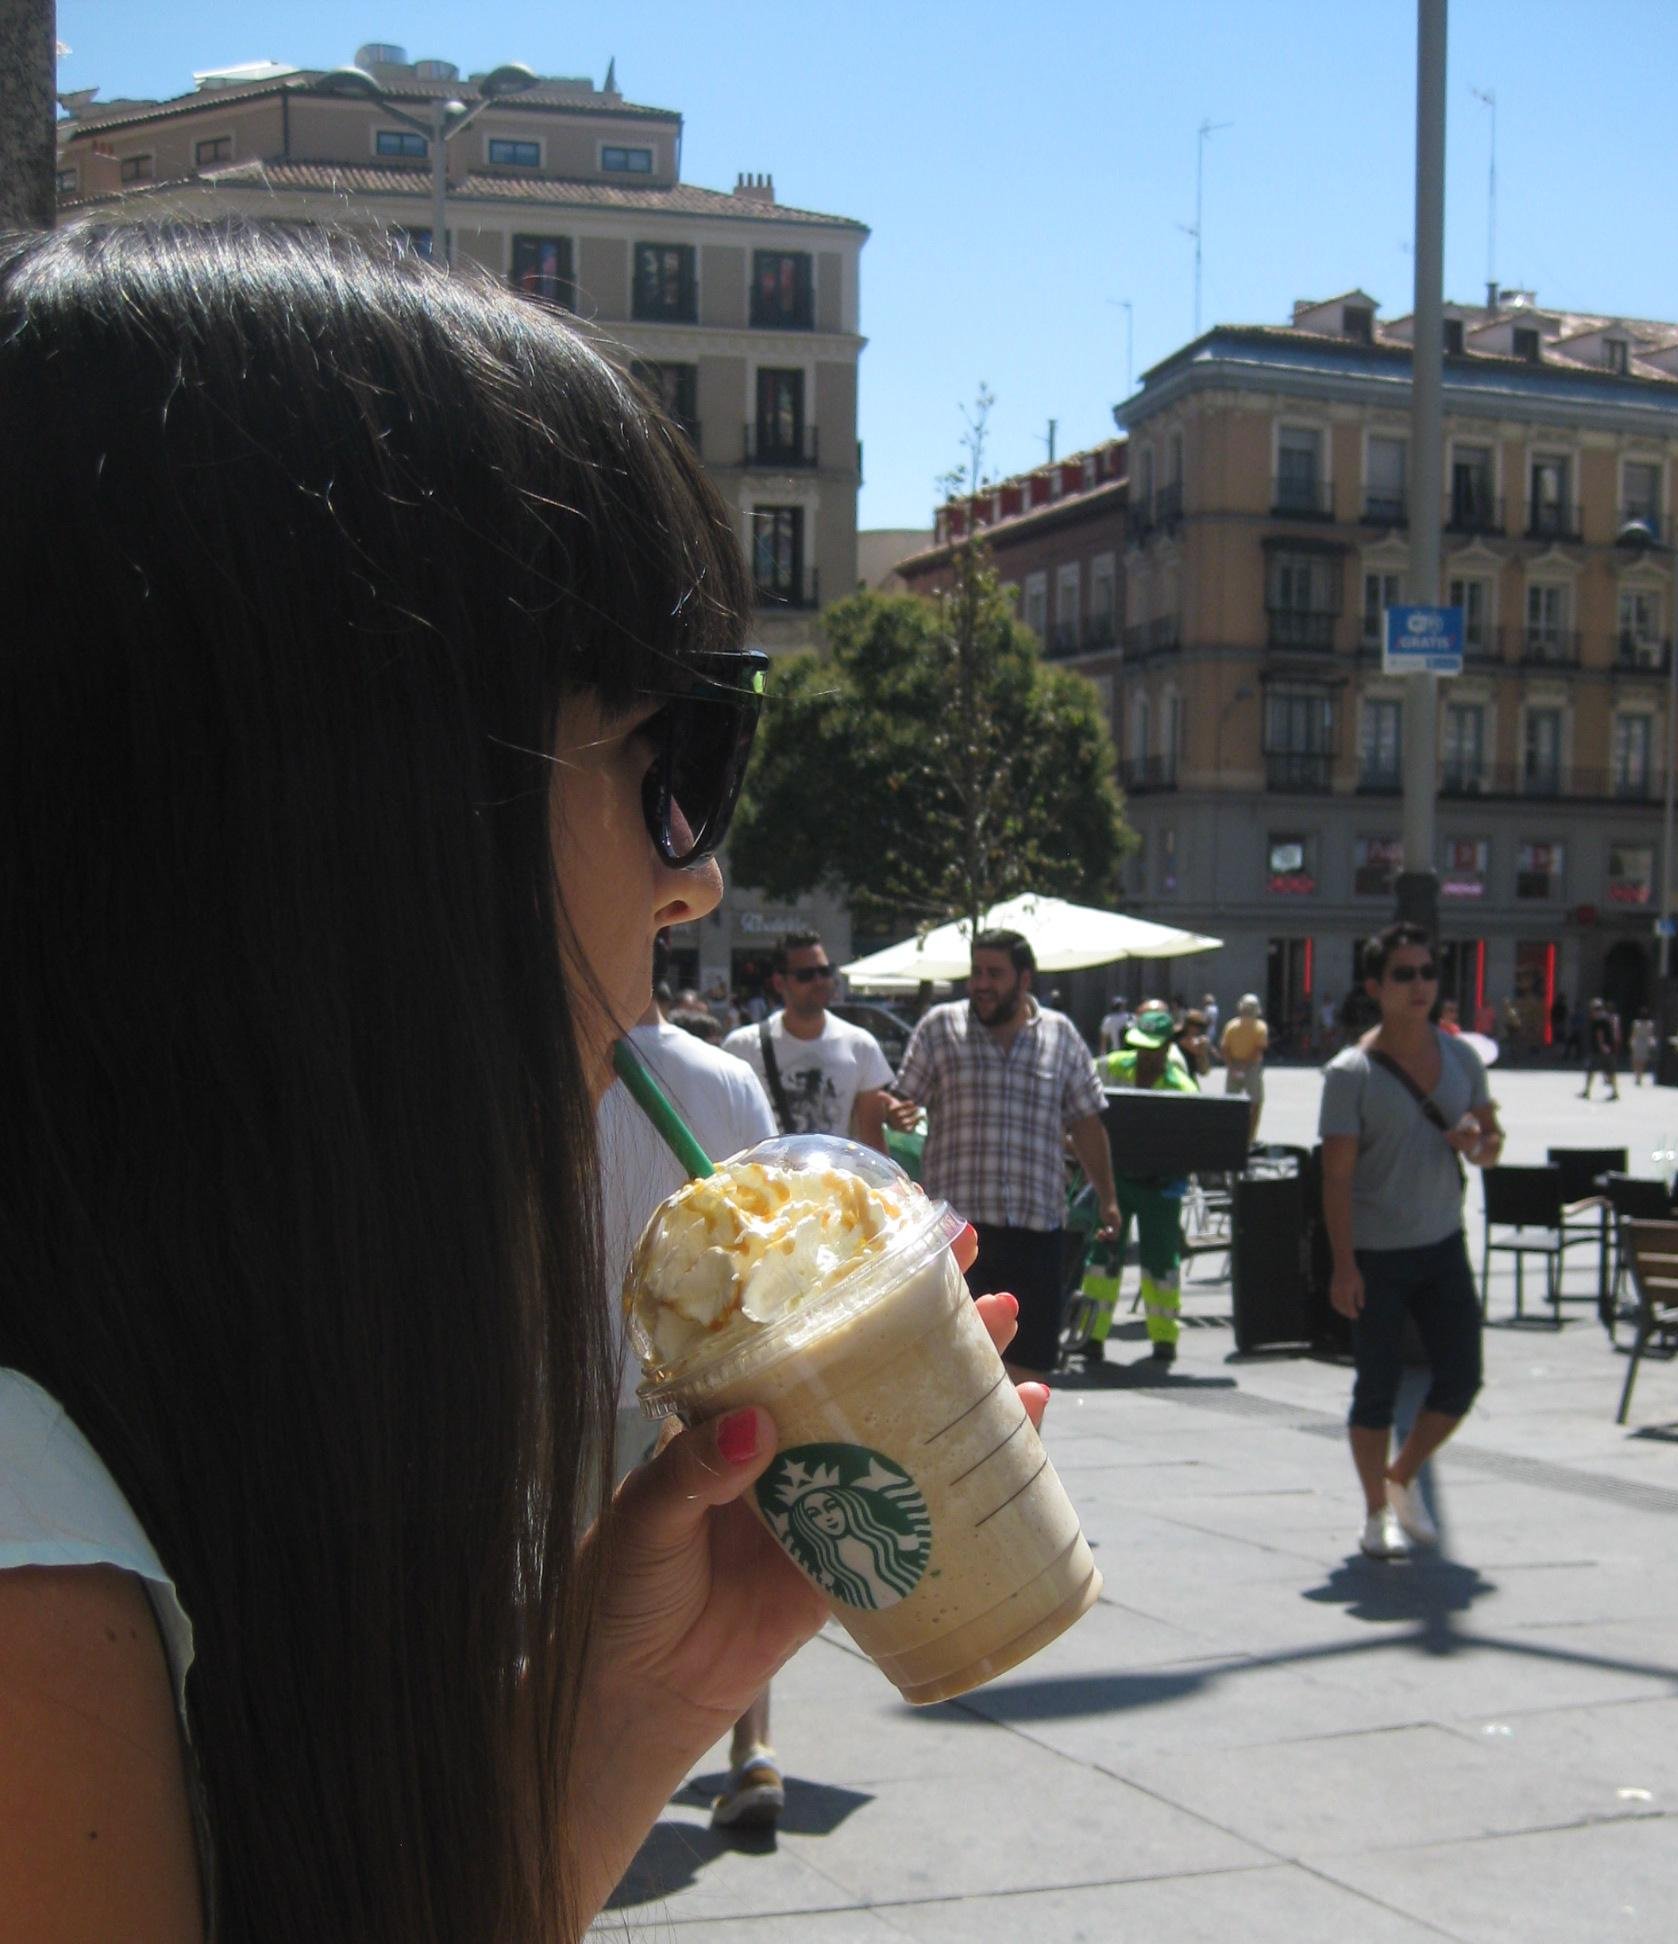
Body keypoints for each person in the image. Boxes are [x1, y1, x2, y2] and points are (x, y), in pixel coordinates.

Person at [0, 222, 1047, 1943]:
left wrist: (645, 1696)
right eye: (675, 752)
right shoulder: (31, 1572)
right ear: (370, 806)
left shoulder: (161, 1426)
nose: (694, 874)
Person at [600, 976, 785, 1831]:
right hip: (714, 1375)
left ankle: (589, 1758)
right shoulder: (730, 1077)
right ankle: (753, 1750)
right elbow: (769, 1233)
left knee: (583, 1582)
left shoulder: (562, 1070)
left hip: (582, 1378)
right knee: (730, 1561)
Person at [1320, 925, 1503, 1562]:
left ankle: (1401, 1475)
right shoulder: (1351, 1073)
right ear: (1376, 987)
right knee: (1375, 1388)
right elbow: (1336, 1176)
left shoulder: (1463, 1060)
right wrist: (1343, 1265)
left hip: (1443, 1243)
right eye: (1404, 974)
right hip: (1375, 1254)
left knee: (1463, 1378)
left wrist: (1478, 1140)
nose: (1420, 984)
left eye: (1427, 972)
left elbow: (1493, 1146)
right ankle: (1376, 1514)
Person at [894, 930, 1121, 1382]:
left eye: (994, 973)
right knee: (951, 1370)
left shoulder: (1062, 1036)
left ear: (1024, 979)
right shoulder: (940, 1027)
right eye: (976, 972)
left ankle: (1022, 1448)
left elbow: (1087, 1124)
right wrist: (896, 1112)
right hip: (957, 1237)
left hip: (1035, 1231)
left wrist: (1108, 1198)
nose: (981, 983)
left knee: (1028, 1369)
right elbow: (903, 1100)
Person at [1078, 1005, 1202, 1366]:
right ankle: (1093, 1336)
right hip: (1117, 1182)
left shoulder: (1183, 1088)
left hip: (1161, 1189)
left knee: (1161, 1263)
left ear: (1166, 1048)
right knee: (1102, 1259)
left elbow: (1195, 1141)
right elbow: (1080, 1079)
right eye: (1141, 1048)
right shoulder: (1116, 1065)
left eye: (1153, 1049)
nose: (1145, 1056)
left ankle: (1164, 1339)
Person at [723, 930, 898, 1152]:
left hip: (835, 1183)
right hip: (763, 1182)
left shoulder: (861, 1045)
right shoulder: (742, 1047)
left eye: (824, 972)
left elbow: (873, 1140)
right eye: (806, 975)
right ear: (779, 983)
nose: (819, 981)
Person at [1221, 993, 1272, 1141]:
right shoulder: (1261, 1027)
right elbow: (1258, 1050)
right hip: (1251, 1066)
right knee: (1256, 1103)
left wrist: (1232, 1067)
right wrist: (1243, 1067)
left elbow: (1225, 1048)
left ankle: (1231, 1136)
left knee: (1231, 1103)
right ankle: (1251, 1138)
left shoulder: (1232, 1025)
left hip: (1235, 1065)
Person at [1581, 998, 1621, 1101]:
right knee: (1610, 1071)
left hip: (1600, 1050)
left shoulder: (1598, 1020)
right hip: (1608, 1049)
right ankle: (1615, 1092)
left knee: (1591, 1070)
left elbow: (1600, 1034)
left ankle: (1587, 1091)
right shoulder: (1606, 1018)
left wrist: (1602, 1045)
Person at [1176, 1007, 1214, 1076]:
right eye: (1198, 1026)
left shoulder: (1198, 1044)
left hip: (1188, 1080)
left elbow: (1203, 1072)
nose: (1199, 1030)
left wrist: (1202, 1053)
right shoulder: (1174, 1037)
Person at [1629, 1012, 1656, 1087]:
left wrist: (1631, 1042)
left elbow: (1633, 1034)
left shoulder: (1636, 1023)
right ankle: (1639, 1076)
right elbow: (1650, 1035)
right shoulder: (1650, 1024)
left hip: (1638, 1042)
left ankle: (1637, 1076)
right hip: (1644, 1043)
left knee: (1636, 1060)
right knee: (1642, 1061)